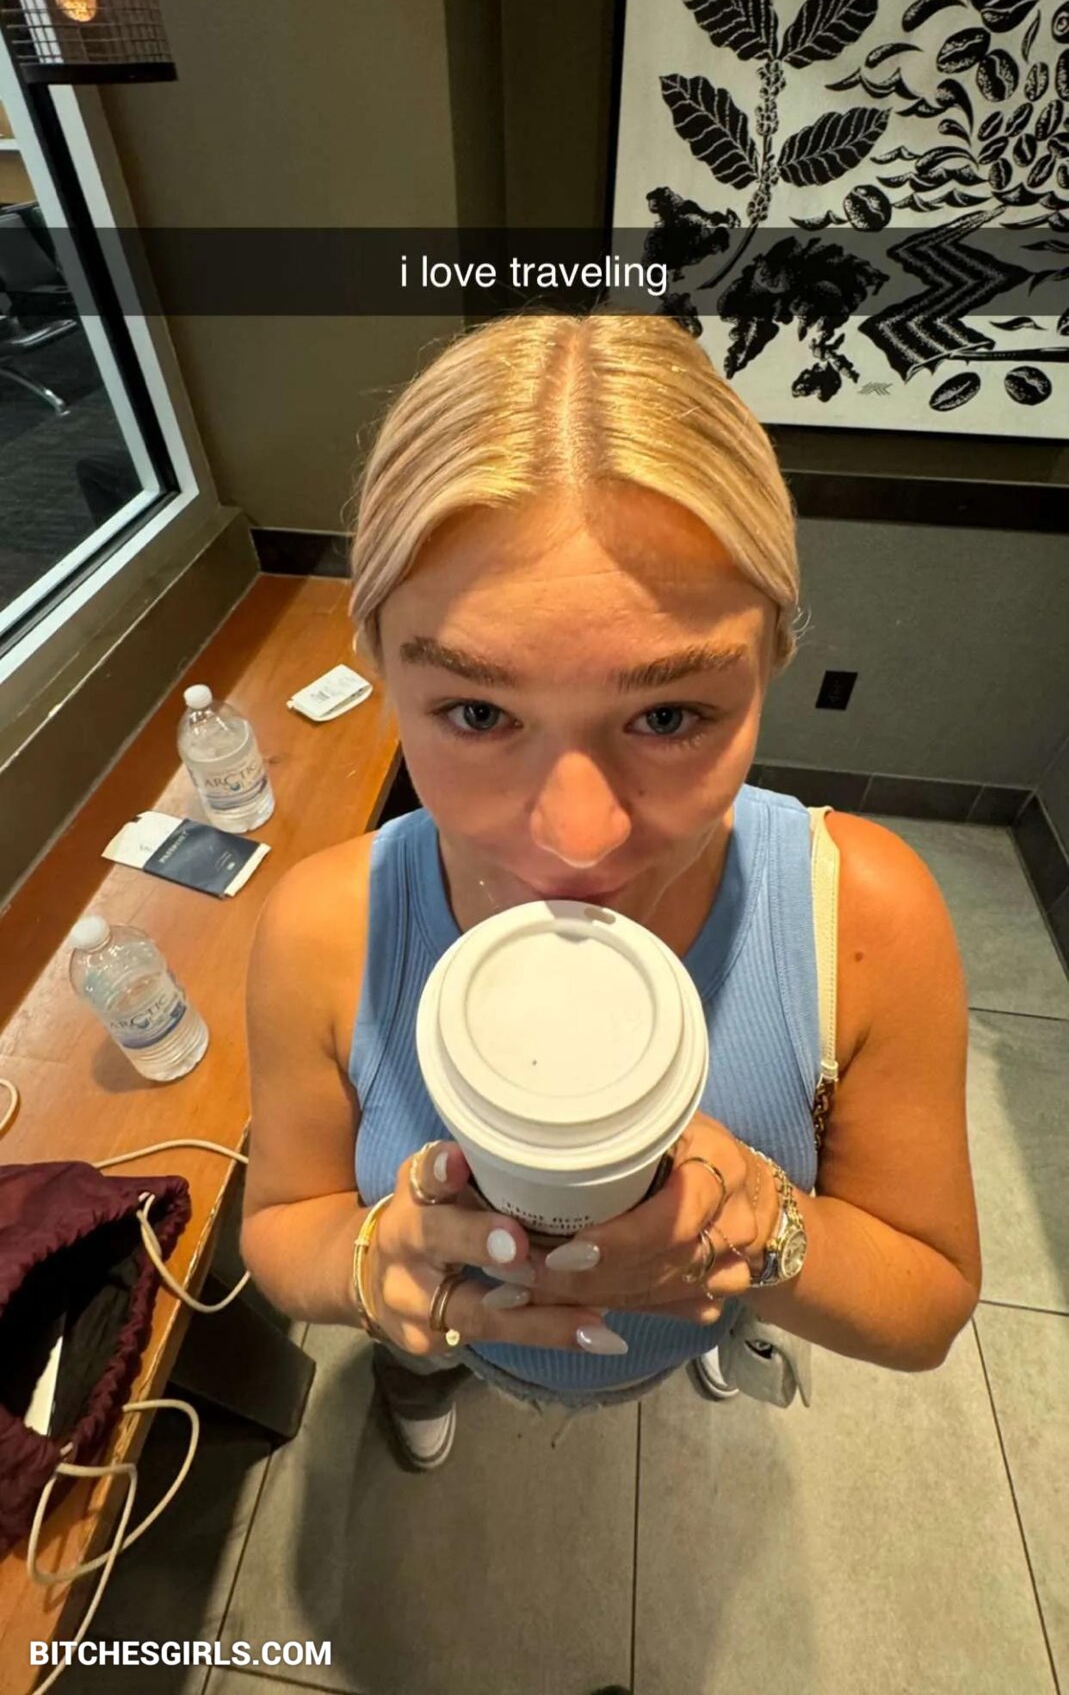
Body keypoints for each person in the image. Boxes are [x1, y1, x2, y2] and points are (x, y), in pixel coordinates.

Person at [241, 309, 982, 1482]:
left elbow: (927, 1302)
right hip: (455, 1338)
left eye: (668, 715)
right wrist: (378, 1267)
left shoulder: (863, 917)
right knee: (424, 1353)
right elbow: (285, 1225)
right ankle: (421, 1379)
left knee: (696, 1320)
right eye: (478, 712)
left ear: (772, 662)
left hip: (698, 1312)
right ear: (380, 665)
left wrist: (758, 1237)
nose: (575, 839)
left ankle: (694, 1341)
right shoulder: (324, 929)